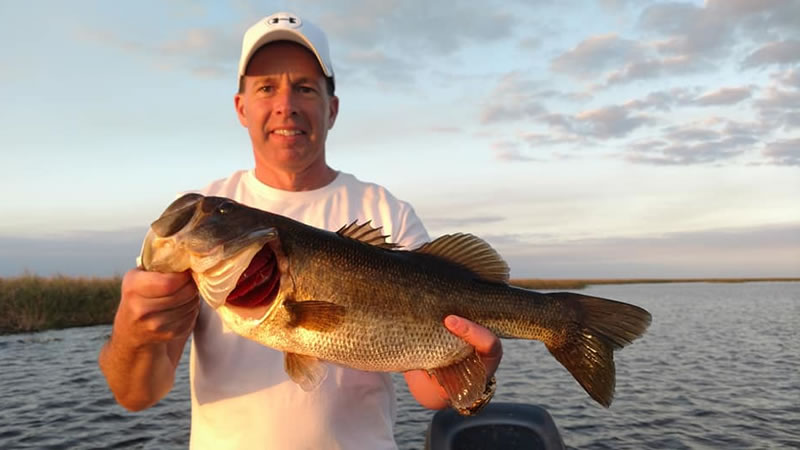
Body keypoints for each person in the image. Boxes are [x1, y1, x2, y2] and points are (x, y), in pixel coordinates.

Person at [99, 11, 502, 450]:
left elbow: (427, 390)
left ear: (332, 109)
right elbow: (136, 394)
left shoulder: (385, 210)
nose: (285, 105)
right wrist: (133, 331)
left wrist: (473, 369)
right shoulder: (207, 219)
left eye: (305, 88)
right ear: (241, 107)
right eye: (266, 87)